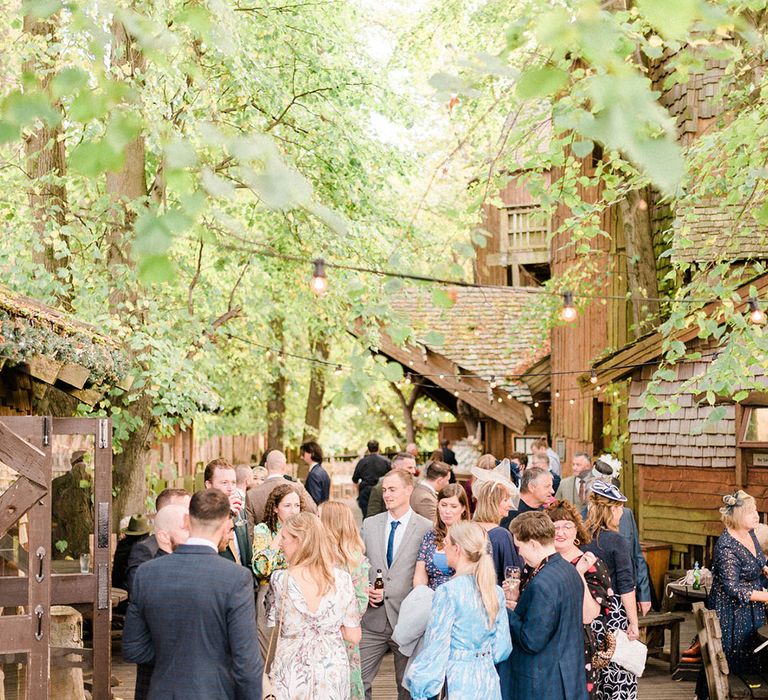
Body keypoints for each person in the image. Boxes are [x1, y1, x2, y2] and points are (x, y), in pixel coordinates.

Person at [123, 489, 262, 700]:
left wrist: (171, 652)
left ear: (188, 520)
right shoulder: (235, 578)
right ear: (226, 525)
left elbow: (133, 649)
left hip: (162, 691)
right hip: (215, 691)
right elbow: (247, 665)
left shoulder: (147, 573)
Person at [405, 522, 512, 700]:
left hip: (457, 680)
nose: (443, 549)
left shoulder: (448, 592)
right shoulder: (495, 591)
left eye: (445, 544)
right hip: (487, 678)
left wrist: (419, 685)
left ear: (457, 549)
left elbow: (436, 647)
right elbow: (502, 648)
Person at [267, 512, 361, 699]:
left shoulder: (280, 579)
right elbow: (354, 636)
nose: (280, 543)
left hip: (291, 672)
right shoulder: (342, 580)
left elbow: (272, 623)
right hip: (332, 671)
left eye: (284, 538)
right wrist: (328, 626)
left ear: (299, 541)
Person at [360, 469, 432, 700]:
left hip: (408, 621)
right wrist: (364, 588)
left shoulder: (426, 528)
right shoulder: (369, 524)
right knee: (358, 683)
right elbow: (358, 566)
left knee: (407, 687)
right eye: (384, 490)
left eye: (392, 489)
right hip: (371, 620)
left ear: (408, 490)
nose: (387, 495)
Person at [504, 512, 588, 700]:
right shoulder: (569, 570)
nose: (519, 553)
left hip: (544, 682)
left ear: (533, 543)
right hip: (569, 675)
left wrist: (507, 612)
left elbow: (531, 640)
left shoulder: (542, 583)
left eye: (519, 546)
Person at [546, 500, 618, 700]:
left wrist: (578, 574)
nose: (560, 532)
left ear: (576, 531)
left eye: (567, 526)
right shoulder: (540, 563)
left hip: (578, 648)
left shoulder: (591, 564)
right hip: (545, 645)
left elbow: (589, 615)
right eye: (555, 527)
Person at [699, 491, 768, 698]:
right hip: (732, 613)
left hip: (751, 608)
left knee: (755, 655)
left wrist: (765, 568)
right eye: (751, 512)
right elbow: (733, 588)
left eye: (756, 510)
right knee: (733, 660)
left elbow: (758, 562)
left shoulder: (750, 533)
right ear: (737, 516)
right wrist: (766, 597)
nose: (757, 515)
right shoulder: (726, 545)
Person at [584, 481, 640, 700]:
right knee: (618, 676)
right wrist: (634, 622)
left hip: (587, 613)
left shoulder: (581, 538)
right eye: (619, 508)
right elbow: (626, 586)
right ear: (611, 510)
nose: (621, 513)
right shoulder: (617, 541)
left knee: (593, 674)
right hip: (612, 614)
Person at [131, 504, 190, 700]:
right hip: (156, 676)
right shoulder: (149, 573)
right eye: (186, 528)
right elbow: (133, 645)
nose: (193, 533)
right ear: (164, 536)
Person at [320, 501, 370, 700]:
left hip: (343, 638)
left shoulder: (355, 561)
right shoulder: (316, 556)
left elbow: (360, 603)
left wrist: (333, 622)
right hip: (317, 639)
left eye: (318, 516)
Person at [590, 460, 652, 615]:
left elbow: (637, 556)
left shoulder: (626, 515)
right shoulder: (581, 518)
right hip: (595, 599)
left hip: (625, 596)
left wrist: (644, 594)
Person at [252, 483, 303, 658]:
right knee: (269, 653)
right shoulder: (263, 530)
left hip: (299, 593)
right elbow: (261, 568)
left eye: (297, 505)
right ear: (275, 508)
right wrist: (282, 533)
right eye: (287, 506)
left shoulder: (305, 531)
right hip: (269, 595)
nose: (293, 511)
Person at [125, 488, 191, 596]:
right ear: (163, 512)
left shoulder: (194, 545)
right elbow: (138, 592)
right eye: (183, 509)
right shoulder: (145, 549)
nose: (189, 515)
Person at [413, 484, 470, 590]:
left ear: (463, 509)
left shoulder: (472, 536)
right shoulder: (430, 536)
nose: (447, 511)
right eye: (444, 505)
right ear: (438, 505)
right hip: (431, 598)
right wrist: (420, 594)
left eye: (453, 506)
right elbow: (420, 576)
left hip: (461, 596)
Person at [245, 449, 316, 527]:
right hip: (293, 534)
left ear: (266, 466)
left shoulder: (251, 494)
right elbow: (313, 511)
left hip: (262, 538)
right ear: (284, 467)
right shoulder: (297, 487)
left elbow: (250, 528)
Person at [472, 480, 523, 585]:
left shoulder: (469, 529)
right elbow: (512, 571)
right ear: (492, 502)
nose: (510, 504)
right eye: (505, 500)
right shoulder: (501, 535)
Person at [203, 458, 251, 570]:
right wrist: (223, 511)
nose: (230, 489)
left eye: (233, 483)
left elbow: (246, 553)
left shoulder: (240, 512)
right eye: (224, 483)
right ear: (208, 485)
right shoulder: (202, 515)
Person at [367, 452, 416, 519]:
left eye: (414, 468)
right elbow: (372, 518)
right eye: (409, 468)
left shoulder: (419, 486)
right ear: (396, 468)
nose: (413, 471)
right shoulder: (379, 489)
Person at [352, 440, 392, 516]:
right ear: (378, 448)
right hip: (382, 490)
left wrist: (358, 493)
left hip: (366, 491)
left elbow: (355, 479)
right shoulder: (386, 461)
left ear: (368, 449)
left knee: (366, 515)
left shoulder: (362, 462)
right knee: (383, 515)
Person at [301, 440, 331, 505]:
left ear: (311, 454)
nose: (302, 457)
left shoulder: (314, 474)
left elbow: (314, 500)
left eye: (303, 453)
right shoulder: (322, 471)